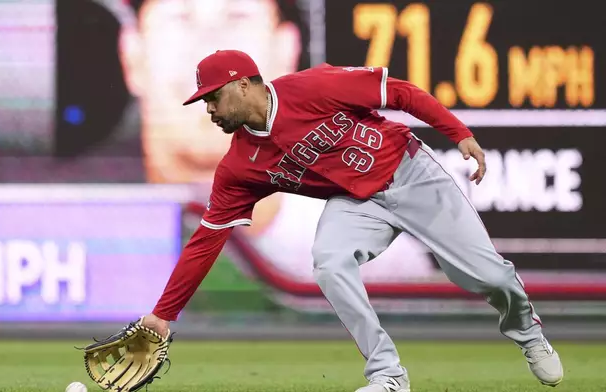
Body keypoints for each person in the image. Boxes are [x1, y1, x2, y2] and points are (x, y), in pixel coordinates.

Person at [139, 50, 564, 392]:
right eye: (204, 101)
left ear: (244, 84)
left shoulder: (312, 86)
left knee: (488, 276)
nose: (209, 108)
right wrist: (164, 314)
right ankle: (388, 376)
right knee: (329, 261)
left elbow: (399, 93)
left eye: (213, 96)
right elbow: (206, 240)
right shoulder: (239, 167)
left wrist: (458, 132)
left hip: (410, 173)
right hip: (357, 202)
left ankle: (527, 333)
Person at [117, 0, 437, 299]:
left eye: (237, 17)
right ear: (132, 54)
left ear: (286, 51)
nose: (209, 50)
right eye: (182, 18)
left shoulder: (373, 252)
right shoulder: (80, 244)